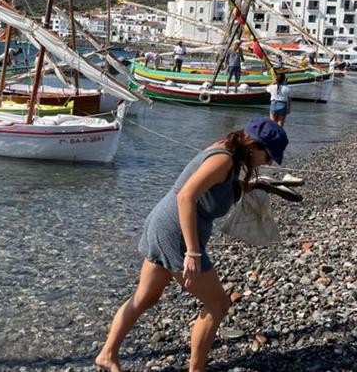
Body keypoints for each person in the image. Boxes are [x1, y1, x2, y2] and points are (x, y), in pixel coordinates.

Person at [96, 118, 288, 372]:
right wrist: (192, 252)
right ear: (254, 146)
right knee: (218, 303)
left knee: (146, 296)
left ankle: (107, 355)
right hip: (175, 234)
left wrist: (252, 186)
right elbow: (186, 196)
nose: (269, 163)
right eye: (268, 156)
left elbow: (213, 188)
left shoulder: (228, 152)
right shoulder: (225, 159)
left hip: (163, 224)